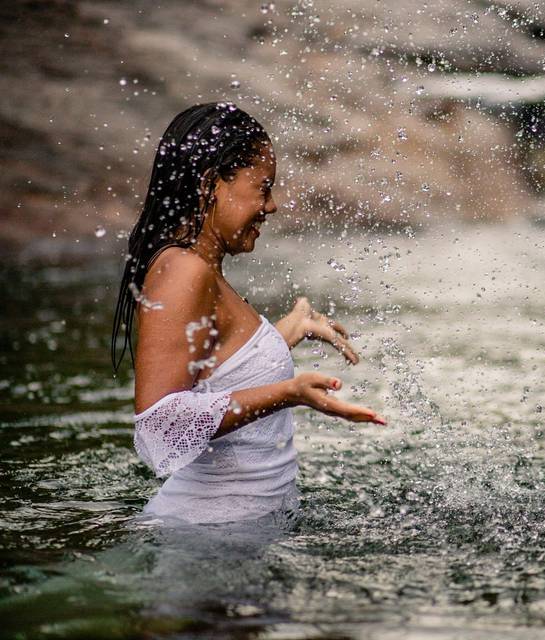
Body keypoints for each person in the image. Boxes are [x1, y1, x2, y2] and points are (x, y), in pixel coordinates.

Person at [112, 102, 386, 525]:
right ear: (212, 185)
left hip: (232, 537)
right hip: (201, 541)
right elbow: (160, 430)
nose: (271, 205)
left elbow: (221, 375)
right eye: (263, 187)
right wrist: (289, 393)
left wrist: (284, 333)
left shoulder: (199, 270)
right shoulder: (183, 271)